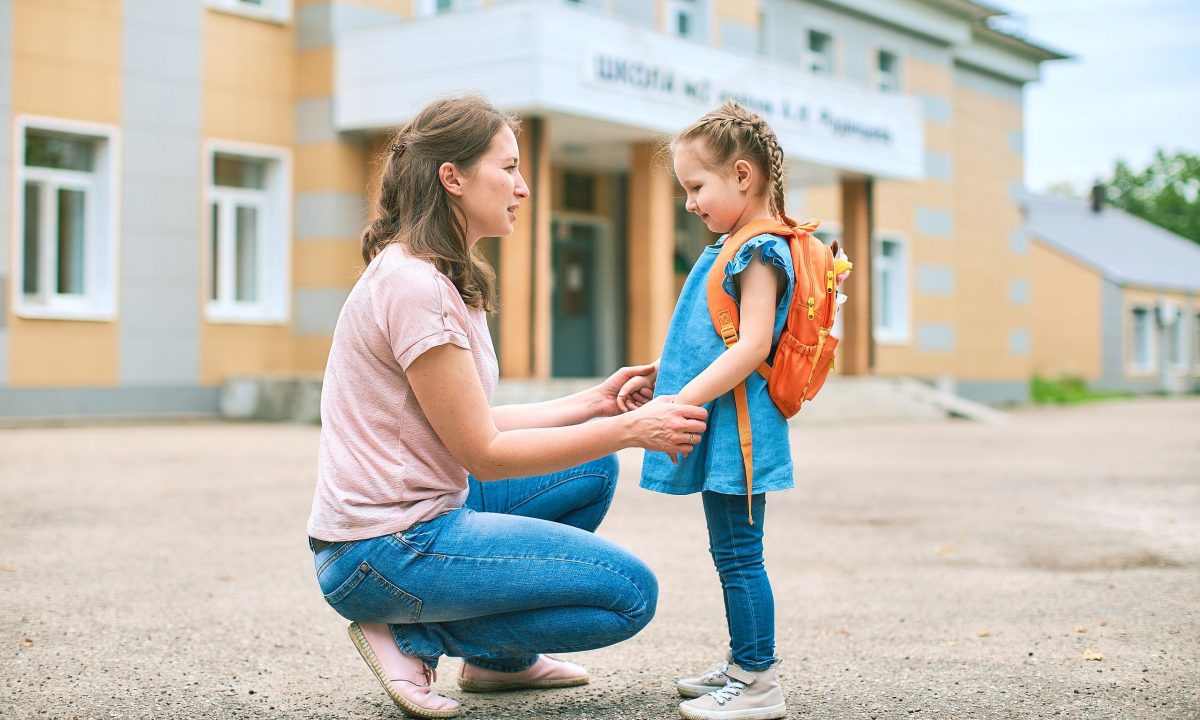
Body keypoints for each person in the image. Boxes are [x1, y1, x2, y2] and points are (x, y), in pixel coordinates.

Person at [307, 94, 708, 719]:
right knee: (629, 594)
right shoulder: (415, 287)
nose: (523, 187)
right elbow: (486, 455)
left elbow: (474, 424)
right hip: (381, 551)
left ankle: (499, 661)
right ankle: (411, 636)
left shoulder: (440, 275)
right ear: (453, 177)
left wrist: (598, 402)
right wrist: (632, 429)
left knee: (590, 468)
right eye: (509, 167)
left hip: (415, 522)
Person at [617, 100, 814, 720]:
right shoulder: (736, 245)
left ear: (742, 176)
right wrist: (664, 372)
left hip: (742, 432)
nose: (689, 203)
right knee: (731, 550)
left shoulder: (759, 250)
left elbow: (752, 346)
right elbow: (714, 336)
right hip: (727, 422)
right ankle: (741, 664)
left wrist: (680, 400)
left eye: (696, 187)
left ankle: (758, 682)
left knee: (739, 555)